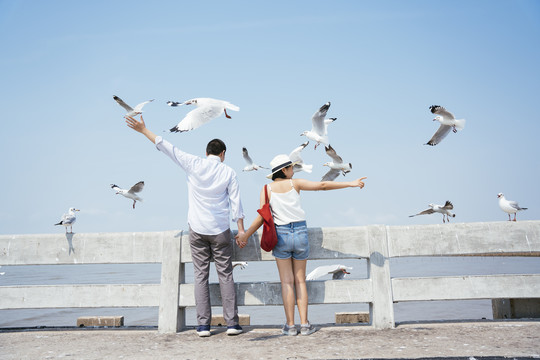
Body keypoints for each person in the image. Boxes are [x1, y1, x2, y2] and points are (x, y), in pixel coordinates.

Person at [125, 115, 246, 337]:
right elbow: (236, 203)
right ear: (222, 155)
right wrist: (241, 229)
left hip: (198, 230)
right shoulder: (228, 171)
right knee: (225, 275)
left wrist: (144, 130)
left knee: (200, 276)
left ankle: (203, 326)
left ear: (206, 152)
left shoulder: (193, 163)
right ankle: (232, 324)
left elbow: (166, 146)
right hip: (220, 230)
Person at [235, 154, 366, 336]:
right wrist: (350, 183)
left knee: (287, 283)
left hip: (281, 236)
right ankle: (305, 324)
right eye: (291, 168)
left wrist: (246, 235)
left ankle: (290, 326)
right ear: (284, 170)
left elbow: (261, 216)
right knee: (300, 281)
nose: (293, 171)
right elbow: (322, 185)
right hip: (300, 233)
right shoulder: (294, 184)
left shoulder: (266, 189)